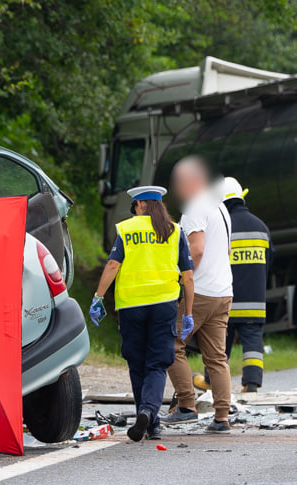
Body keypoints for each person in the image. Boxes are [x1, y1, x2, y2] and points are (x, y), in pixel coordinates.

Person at [90, 186, 195, 442]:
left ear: (138, 206)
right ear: (159, 205)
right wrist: (188, 312)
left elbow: (114, 264)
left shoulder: (127, 229)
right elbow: (188, 277)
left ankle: (148, 420)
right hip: (164, 305)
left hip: (131, 306)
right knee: (157, 364)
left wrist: (98, 297)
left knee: (137, 364)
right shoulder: (174, 231)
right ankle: (150, 416)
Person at [162, 157, 233, 433]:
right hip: (223, 292)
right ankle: (222, 417)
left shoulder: (194, 207)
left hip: (199, 292)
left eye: (179, 182)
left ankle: (186, 407)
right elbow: (226, 251)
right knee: (216, 357)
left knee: (171, 345)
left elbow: (198, 250)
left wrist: (183, 279)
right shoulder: (221, 208)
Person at [194, 178, 273, 393]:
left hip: (225, 299)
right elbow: (269, 260)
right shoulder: (261, 227)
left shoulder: (221, 228)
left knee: (218, 345)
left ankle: (211, 382)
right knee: (253, 344)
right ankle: (251, 384)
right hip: (254, 301)